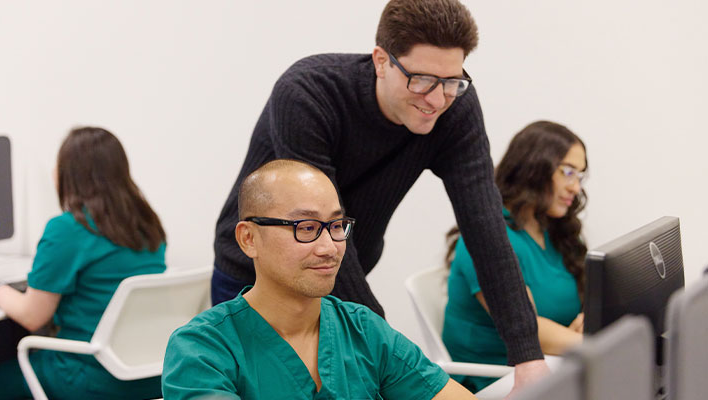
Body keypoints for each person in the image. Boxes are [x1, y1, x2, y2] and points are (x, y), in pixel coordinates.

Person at [212, 0, 549, 389]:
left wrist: (528, 357)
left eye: (451, 82)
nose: (436, 100)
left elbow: (486, 228)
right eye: (421, 79)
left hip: (340, 267)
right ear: (381, 61)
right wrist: (389, 356)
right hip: (256, 275)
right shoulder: (309, 93)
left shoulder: (455, 108)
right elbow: (320, 227)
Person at [163, 159, 476, 399]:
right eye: (307, 227)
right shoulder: (203, 350)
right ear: (249, 239)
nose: (330, 248)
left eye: (337, 225)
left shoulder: (362, 330)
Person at [0, 127, 166, 399]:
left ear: (69, 175)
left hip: (94, 377)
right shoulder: (148, 226)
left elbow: (33, 317)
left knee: (2, 381)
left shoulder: (67, 230)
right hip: (148, 375)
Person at [442, 121, 587, 392]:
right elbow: (532, 332)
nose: (576, 188)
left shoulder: (556, 232)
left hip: (555, 365)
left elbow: (580, 300)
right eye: (568, 172)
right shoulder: (486, 240)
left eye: (580, 175)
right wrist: (599, 341)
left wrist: (588, 321)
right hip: (499, 381)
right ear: (534, 169)